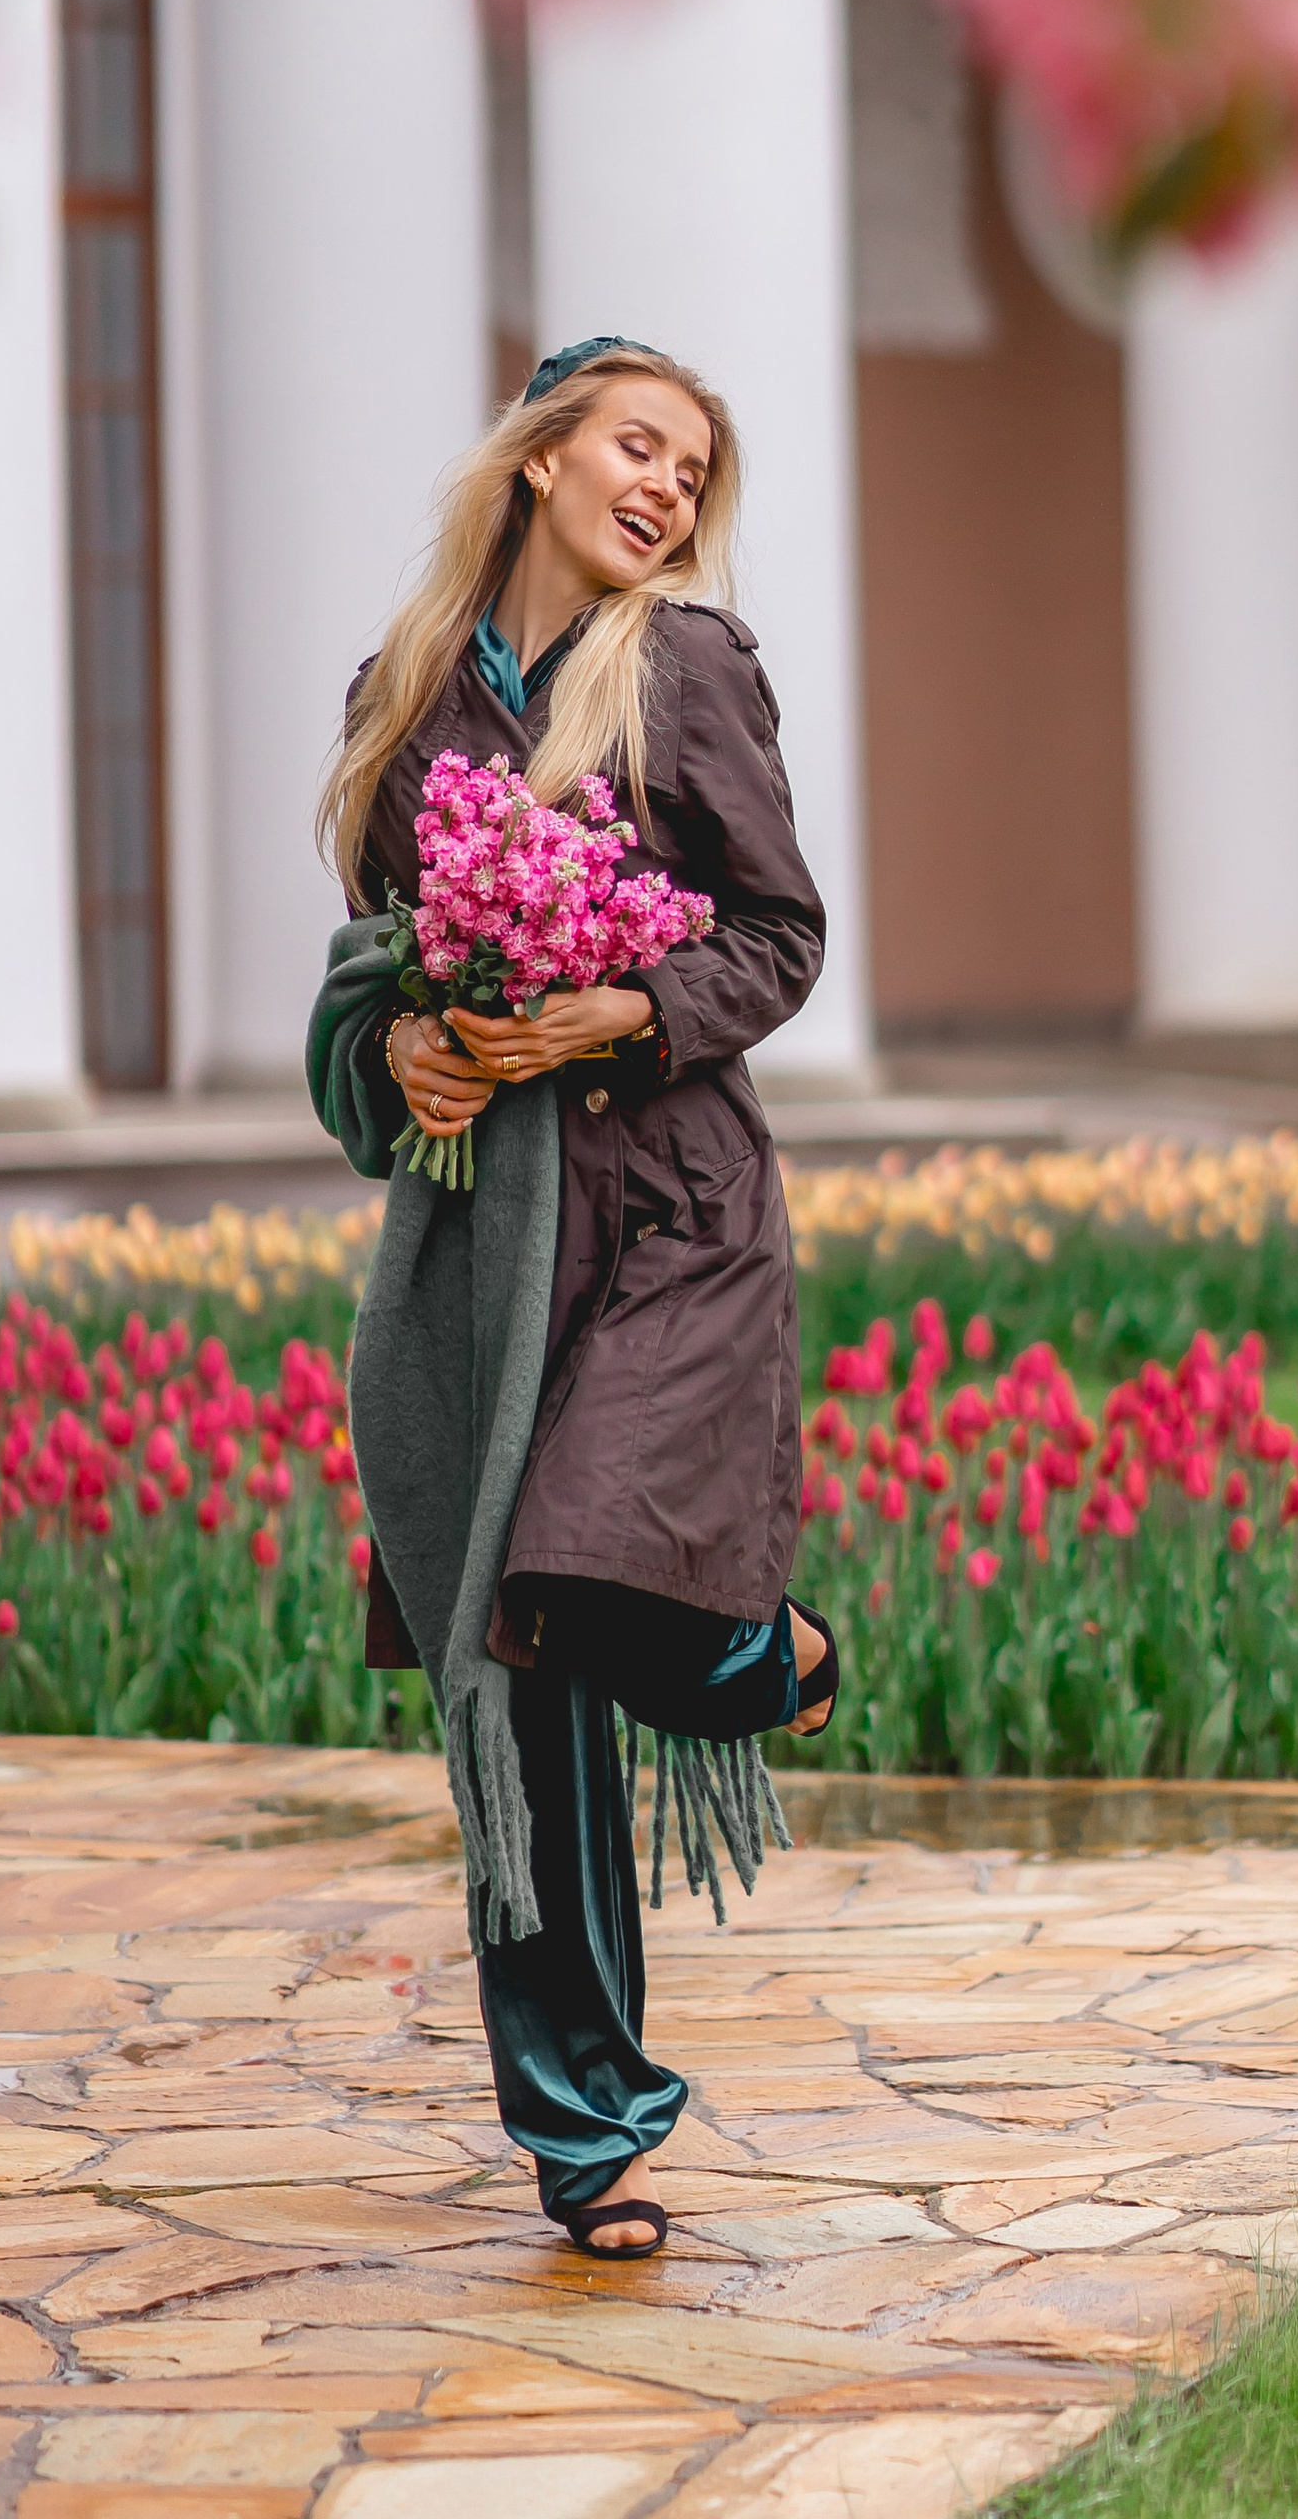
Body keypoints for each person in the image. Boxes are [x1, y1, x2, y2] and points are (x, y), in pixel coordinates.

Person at [310, 337, 837, 2262]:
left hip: (674, 1216)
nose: (667, 493)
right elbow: (374, 969)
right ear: (540, 460)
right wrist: (415, 1065)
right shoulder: (408, 696)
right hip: (484, 1234)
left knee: (604, 1590)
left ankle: (758, 1662)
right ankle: (590, 2136)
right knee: (510, 1684)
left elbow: (779, 937)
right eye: (638, 449)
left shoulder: (685, 668)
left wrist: (617, 1011)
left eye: (694, 472)